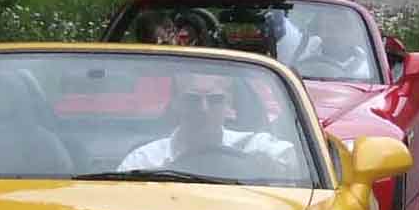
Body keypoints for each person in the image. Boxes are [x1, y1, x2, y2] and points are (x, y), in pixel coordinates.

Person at [116, 69, 296, 176]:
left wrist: (268, 167)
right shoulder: (144, 161)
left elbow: (301, 168)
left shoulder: (256, 146)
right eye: (192, 99)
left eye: (215, 100)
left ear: (228, 105)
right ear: (177, 104)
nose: (204, 109)